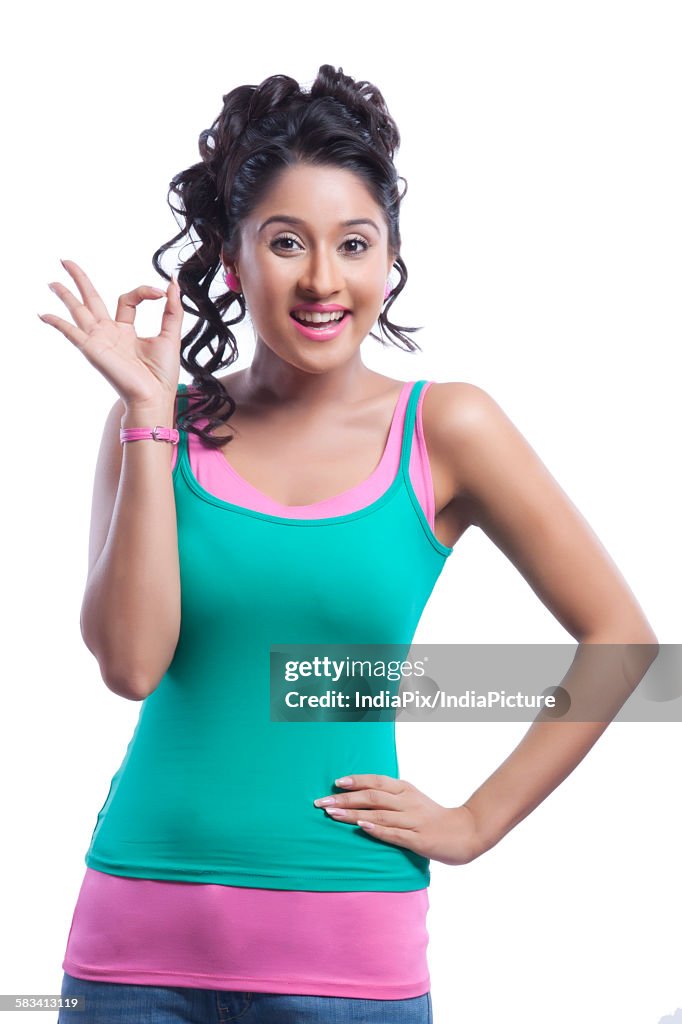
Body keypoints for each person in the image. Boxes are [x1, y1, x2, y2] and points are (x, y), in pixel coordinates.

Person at [39, 65, 658, 1024]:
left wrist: (476, 822)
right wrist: (150, 419)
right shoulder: (160, 426)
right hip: (131, 952)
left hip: (347, 969)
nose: (323, 280)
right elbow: (129, 666)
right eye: (286, 243)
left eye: (354, 245)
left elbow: (624, 643)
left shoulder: (447, 429)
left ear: (389, 259)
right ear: (231, 260)